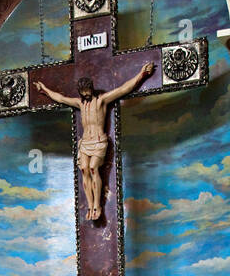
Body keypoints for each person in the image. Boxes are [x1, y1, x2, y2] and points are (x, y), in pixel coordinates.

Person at [34, 63, 154, 220]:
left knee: (92, 169)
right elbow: (61, 98)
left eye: (87, 91)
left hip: (98, 141)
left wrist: (141, 74)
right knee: (84, 170)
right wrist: (44, 90)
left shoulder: (102, 101)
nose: (86, 94)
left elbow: (123, 89)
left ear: (91, 88)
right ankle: (90, 206)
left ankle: (98, 205)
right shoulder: (80, 103)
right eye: (83, 92)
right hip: (85, 143)